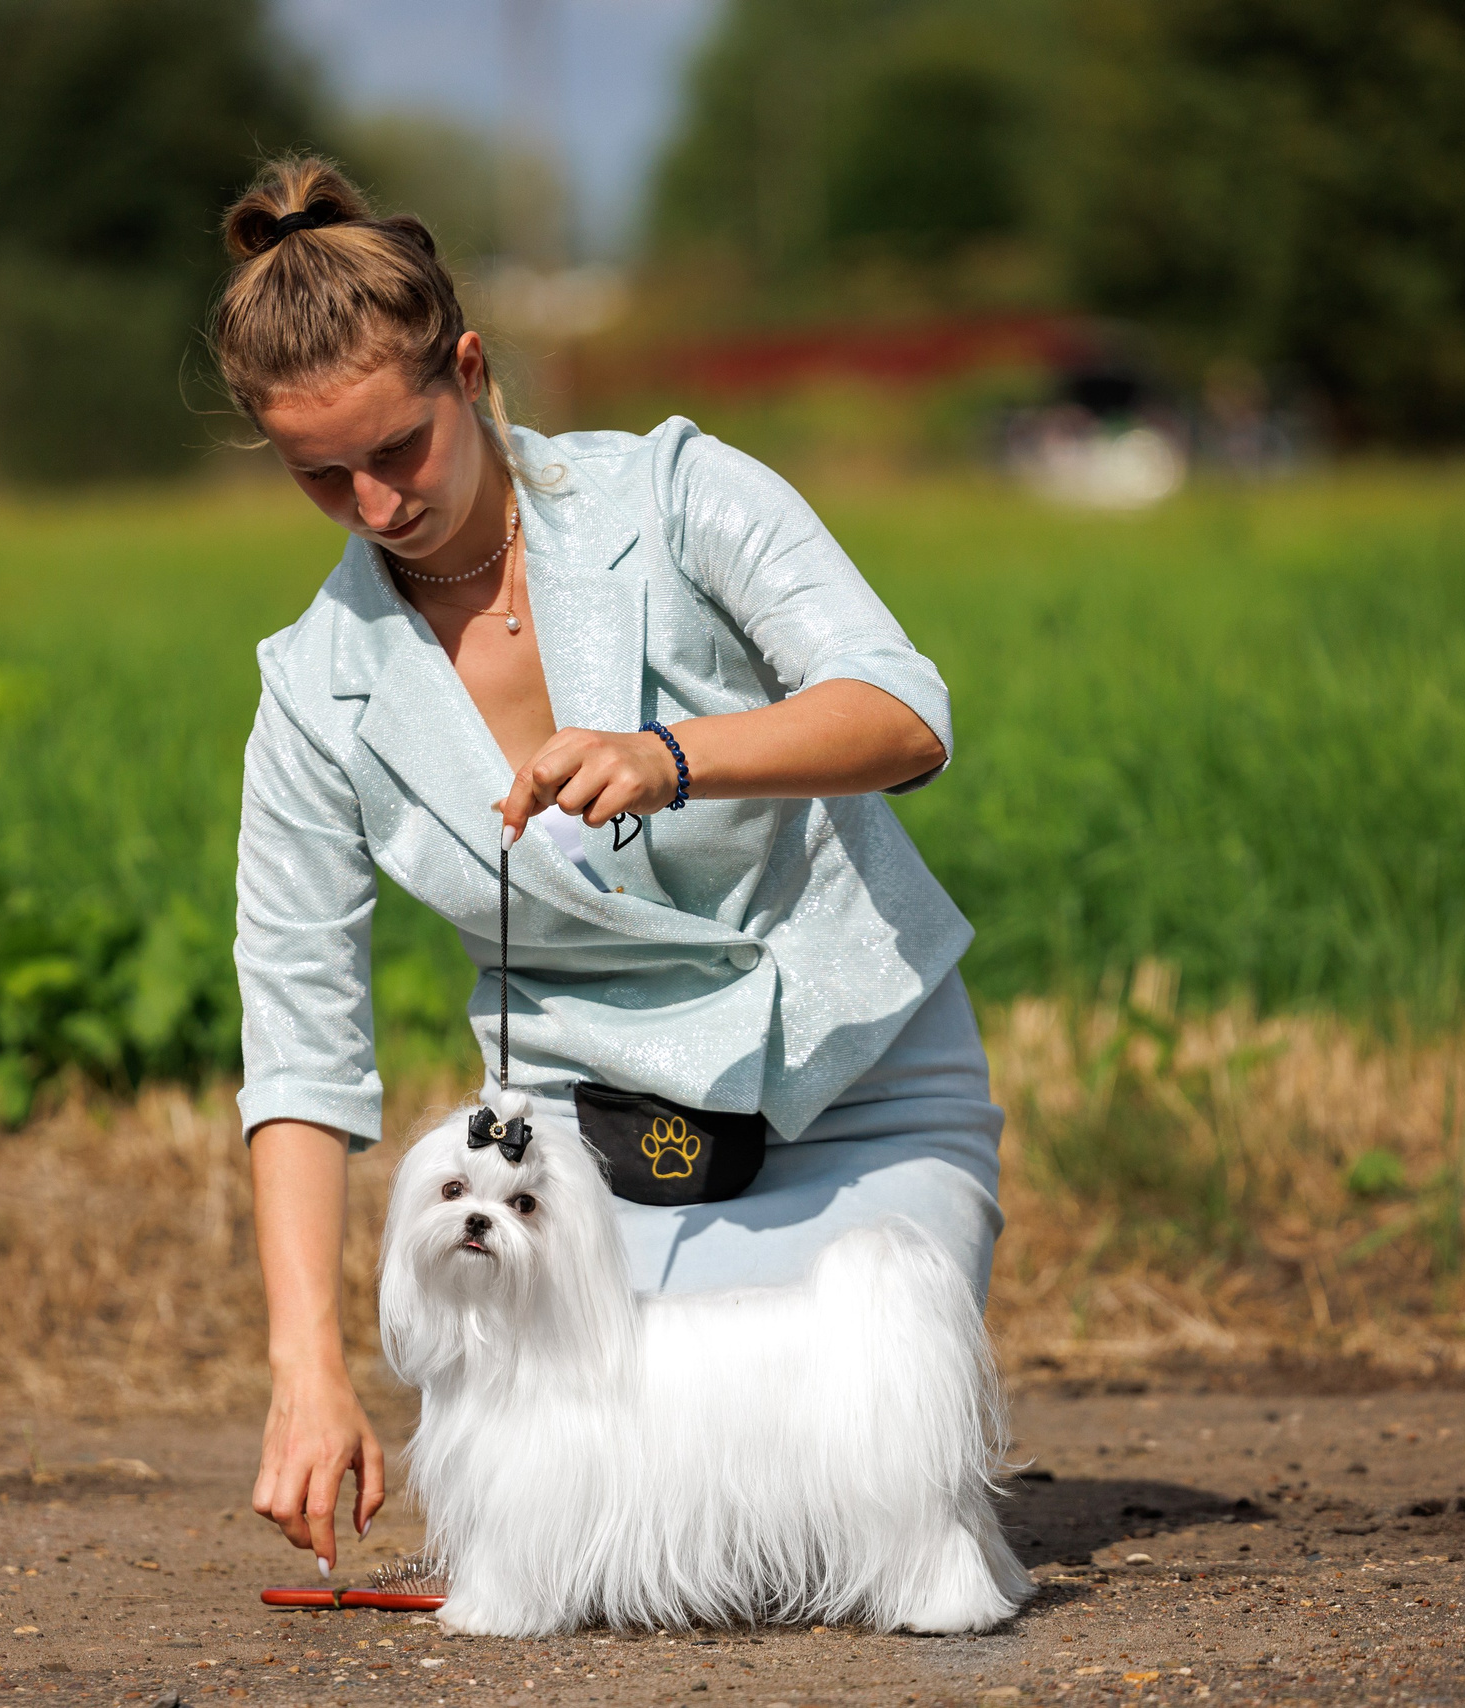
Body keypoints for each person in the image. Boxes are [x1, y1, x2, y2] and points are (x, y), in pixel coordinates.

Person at [210, 157, 1006, 1574]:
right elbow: (300, 1044)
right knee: (617, 1547)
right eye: (319, 475)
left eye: (400, 449)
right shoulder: (313, 690)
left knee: (849, 1495)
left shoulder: (680, 493)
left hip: (868, 1100)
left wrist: (672, 755)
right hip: (595, 1171)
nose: (375, 504)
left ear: (467, 372)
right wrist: (306, 1370)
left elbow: (905, 716)